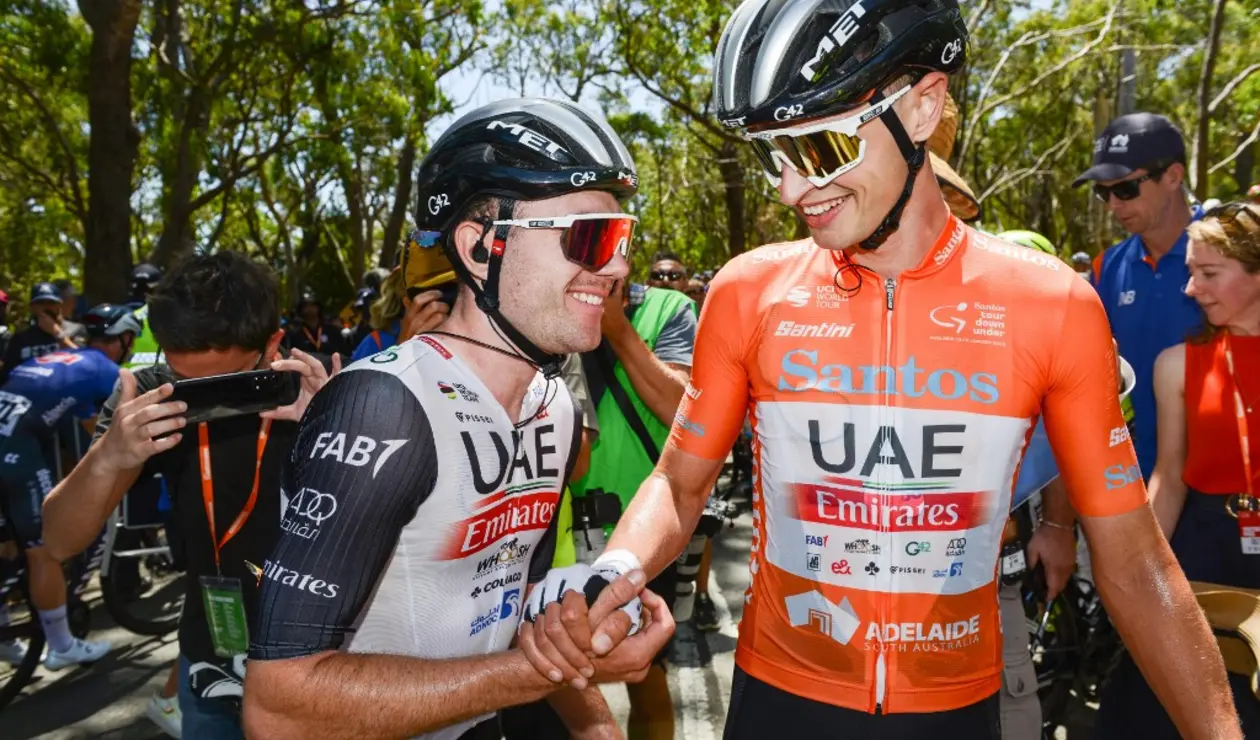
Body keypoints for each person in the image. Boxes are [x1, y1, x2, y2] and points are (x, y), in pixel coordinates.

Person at [518, 2, 1240, 737]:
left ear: (923, 107)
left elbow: (1135, 567)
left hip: (954, 706)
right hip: (779, 699)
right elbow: (680, 481)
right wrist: (614, 572)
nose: (793, 190)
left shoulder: (1052, 303)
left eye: (822, 149)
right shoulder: (748, 291)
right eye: (775, 155)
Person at [241, 97, 672, 740]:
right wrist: (545, 673)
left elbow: (513, 609)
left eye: (623, 238)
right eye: (590, 237)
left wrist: (596, 724)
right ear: (479, 247)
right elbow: (277, 708)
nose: (616, 266)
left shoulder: (550, 408)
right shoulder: (384, 408)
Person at [41, 252, 336, 738]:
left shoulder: (317, 385)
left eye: (228, 383)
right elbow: (58, 541)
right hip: (213, 661)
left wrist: (336, 430)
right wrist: (110, 456)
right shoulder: (150, 394)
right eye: (187, 381)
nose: (203, 400)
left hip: (318, 660)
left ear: (273, 343)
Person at [1097, 202, 1260, 738]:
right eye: (1191, 272)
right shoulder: (1176, 365)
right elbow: (1169, 478)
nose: (1192, 289)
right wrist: (1135, 574)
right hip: (1204, 552)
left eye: (1209, 274)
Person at [570, 276, 697, 740]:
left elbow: (682, 412)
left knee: (644, 671)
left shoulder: (669, 308)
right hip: (553, 528)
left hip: (639, 530)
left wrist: (617, 327)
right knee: (559, 680)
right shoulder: (541, 299)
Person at [0, 304, 141, 671]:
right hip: (16, 451)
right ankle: (61, 646)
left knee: (6, 545)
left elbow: (92, 426)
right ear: (122, 340)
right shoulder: (106, 370)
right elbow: (124, 429)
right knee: (43, 550)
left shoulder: (59, 357)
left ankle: (5, 632)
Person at [1075, 112, 1203, 480]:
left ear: (1173, 177)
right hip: (1132, 482)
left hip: (1224, 491)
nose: (1113, 204)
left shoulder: (1235, 253)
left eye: (1126, 189)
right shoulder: (1107, 268)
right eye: (1103, 192)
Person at [351, 232, 459, 361]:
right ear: (408, 301)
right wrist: (403, 351)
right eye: (439, 292)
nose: (453, 301)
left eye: (456, 289)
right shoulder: (377, 343)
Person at [0, 282, 79, 384]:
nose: (46, 307)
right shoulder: (21, 338)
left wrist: (57, 333)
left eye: (50, 303)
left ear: (59, 305)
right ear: (32, 308)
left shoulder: (76, 330)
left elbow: (86, 363)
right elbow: (7, 376)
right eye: (41, 303)